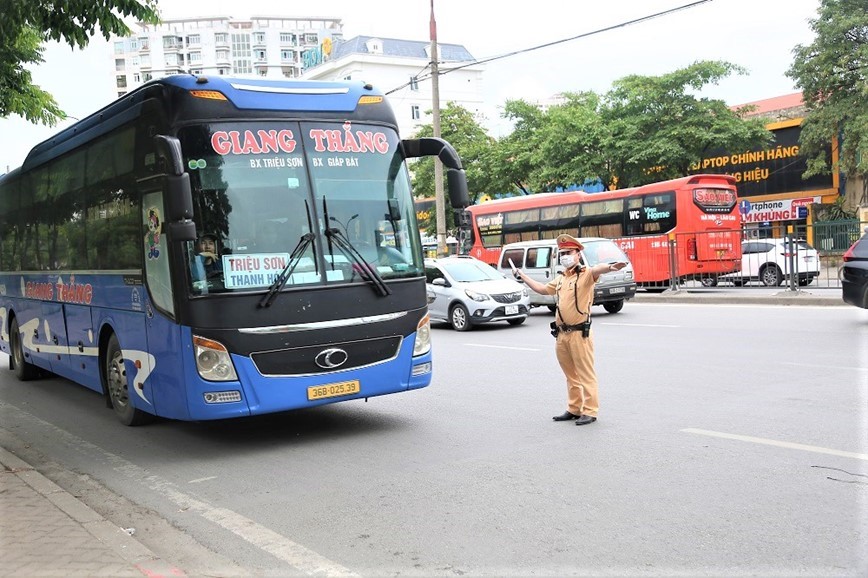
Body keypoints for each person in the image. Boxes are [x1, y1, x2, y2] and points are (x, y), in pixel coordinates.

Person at [513, 234, 627, 426]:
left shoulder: (586, 275)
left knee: (585, 374)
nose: (564, 256)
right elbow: (542, 290)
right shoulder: (561, 279)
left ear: (578, 254)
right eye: (562, 253)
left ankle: (590, 411)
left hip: (579, 334)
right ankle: (574, 408)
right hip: (562, 334)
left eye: (568, 252)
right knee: (570, 375)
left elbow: (597, 269)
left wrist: (610, 267)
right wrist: (522, 276)